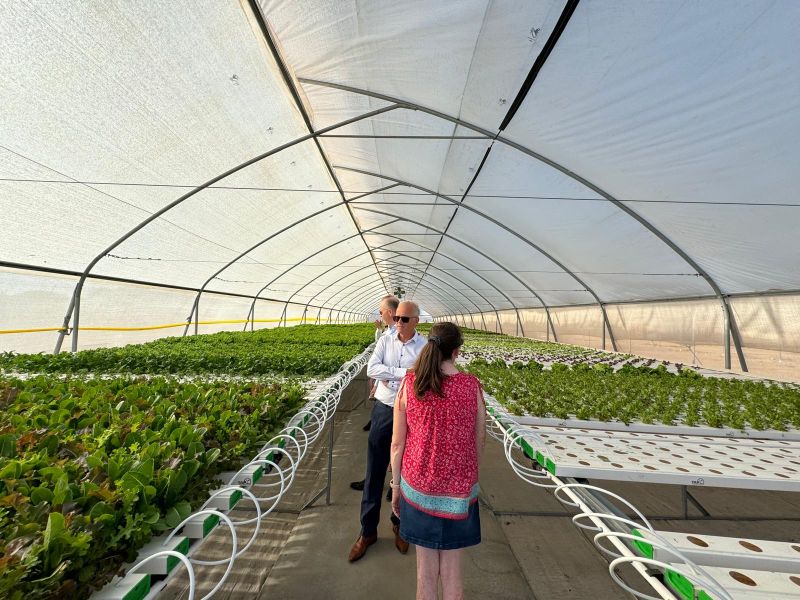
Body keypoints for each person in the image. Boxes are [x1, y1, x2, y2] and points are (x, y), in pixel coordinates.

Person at [389, 322, 486, 600]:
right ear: (456, 351)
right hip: (459, 492)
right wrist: (468, 479)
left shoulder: (412, 383)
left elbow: (397, 444)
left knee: (426, 573)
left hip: (419, 487)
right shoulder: (471, 386)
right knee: (454, 574)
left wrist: (396, 486)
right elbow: (478, 440)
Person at [348, 301, 426, 562]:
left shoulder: (425, 347)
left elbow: (423, 378)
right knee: (375, 470)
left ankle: (401, 525)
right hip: (384, 408)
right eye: (397, 318)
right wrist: (405, 374)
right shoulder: (385, 339)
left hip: (411, 411)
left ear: (416, 320)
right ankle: (367, 531)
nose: (398, 322)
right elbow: (372, 369)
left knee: (405, 470)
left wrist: (391, 375)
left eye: (405, 319)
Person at [350, 295, 398, 492]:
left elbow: (394, 368)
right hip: (384, 398)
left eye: (381, 311)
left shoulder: (403, 338)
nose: (380, 314)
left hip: (395, 402)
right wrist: (379, 380)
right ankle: (377, 483)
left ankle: (393, 487)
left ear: (390, 312)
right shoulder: (387, 334)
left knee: (394, 446)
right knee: (383, 446)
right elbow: (376, 367)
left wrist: (387, 374)